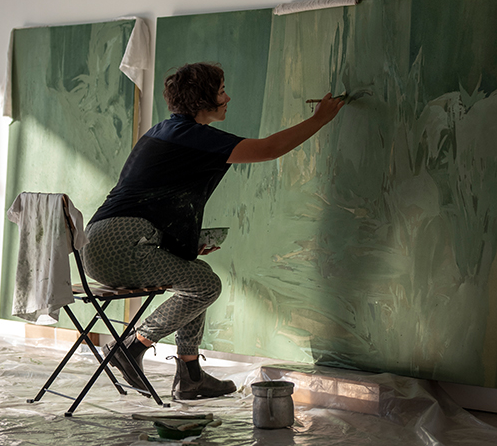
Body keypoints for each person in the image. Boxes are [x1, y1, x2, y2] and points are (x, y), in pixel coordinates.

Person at [82, 62, 344, 400]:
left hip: (103, 242)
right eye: (221, 91)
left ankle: (190, 375)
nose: (228, 98)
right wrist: (320, 120)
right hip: (120, 247)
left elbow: (152, 202)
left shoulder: (167, 131)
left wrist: (185, 243)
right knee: (206, 285)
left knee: (198, 277)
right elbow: (268, 149)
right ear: (202, 99)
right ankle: (132, 346)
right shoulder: (192, 137)